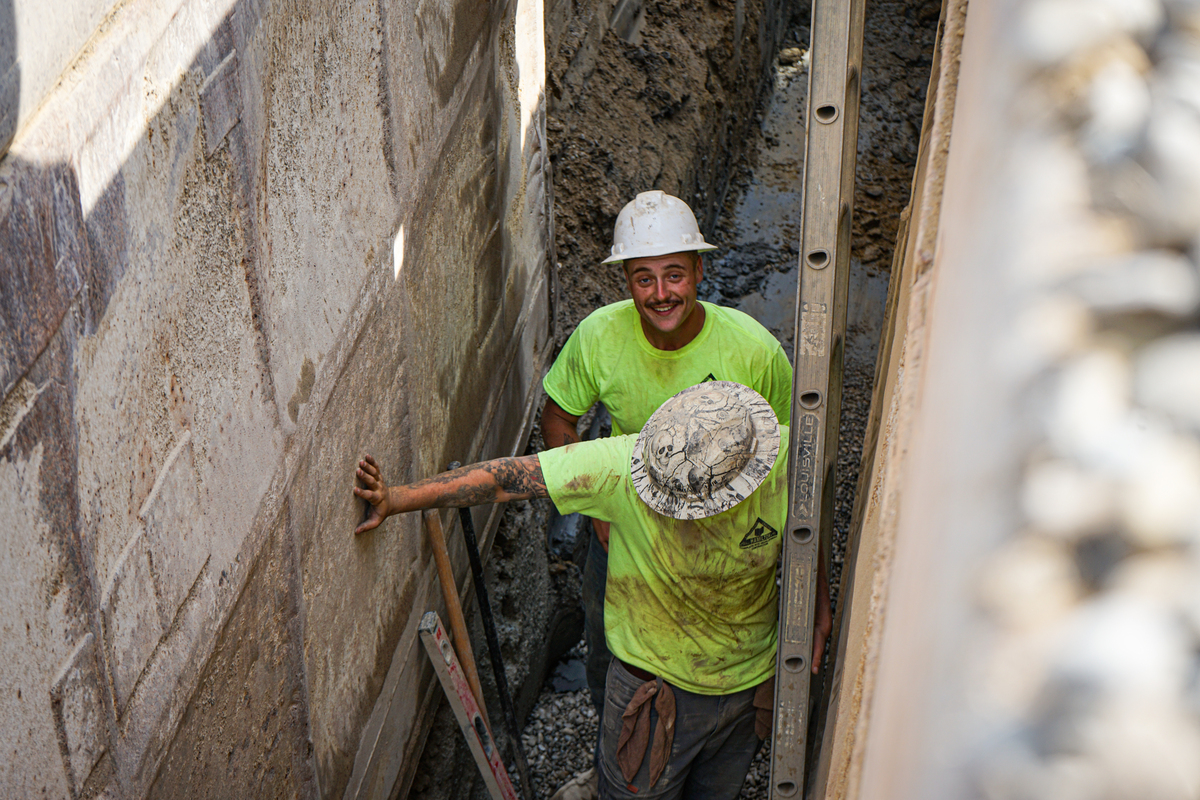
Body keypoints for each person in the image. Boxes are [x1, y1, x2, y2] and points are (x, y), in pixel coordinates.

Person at [355, 382, 828, 800]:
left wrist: (821, 604)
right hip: (654, 688)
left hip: (748, 687)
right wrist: (397, 499)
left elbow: (812, 528)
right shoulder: (622, 467)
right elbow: (505, 479)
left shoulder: (787, 460)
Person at [539, 190, 821, 738]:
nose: (661, 293)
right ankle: (617, 753)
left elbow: (797, 463)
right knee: (611, 652)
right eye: (644, 278)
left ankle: (712, 732)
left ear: (698, 270)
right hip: (630, 530)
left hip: (725, 527)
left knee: (720, 644)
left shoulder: (753, 353)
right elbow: (558, 419)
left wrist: (816, 594)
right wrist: (596, 506)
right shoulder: (601, 337)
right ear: (626, 281)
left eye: (675, 275)